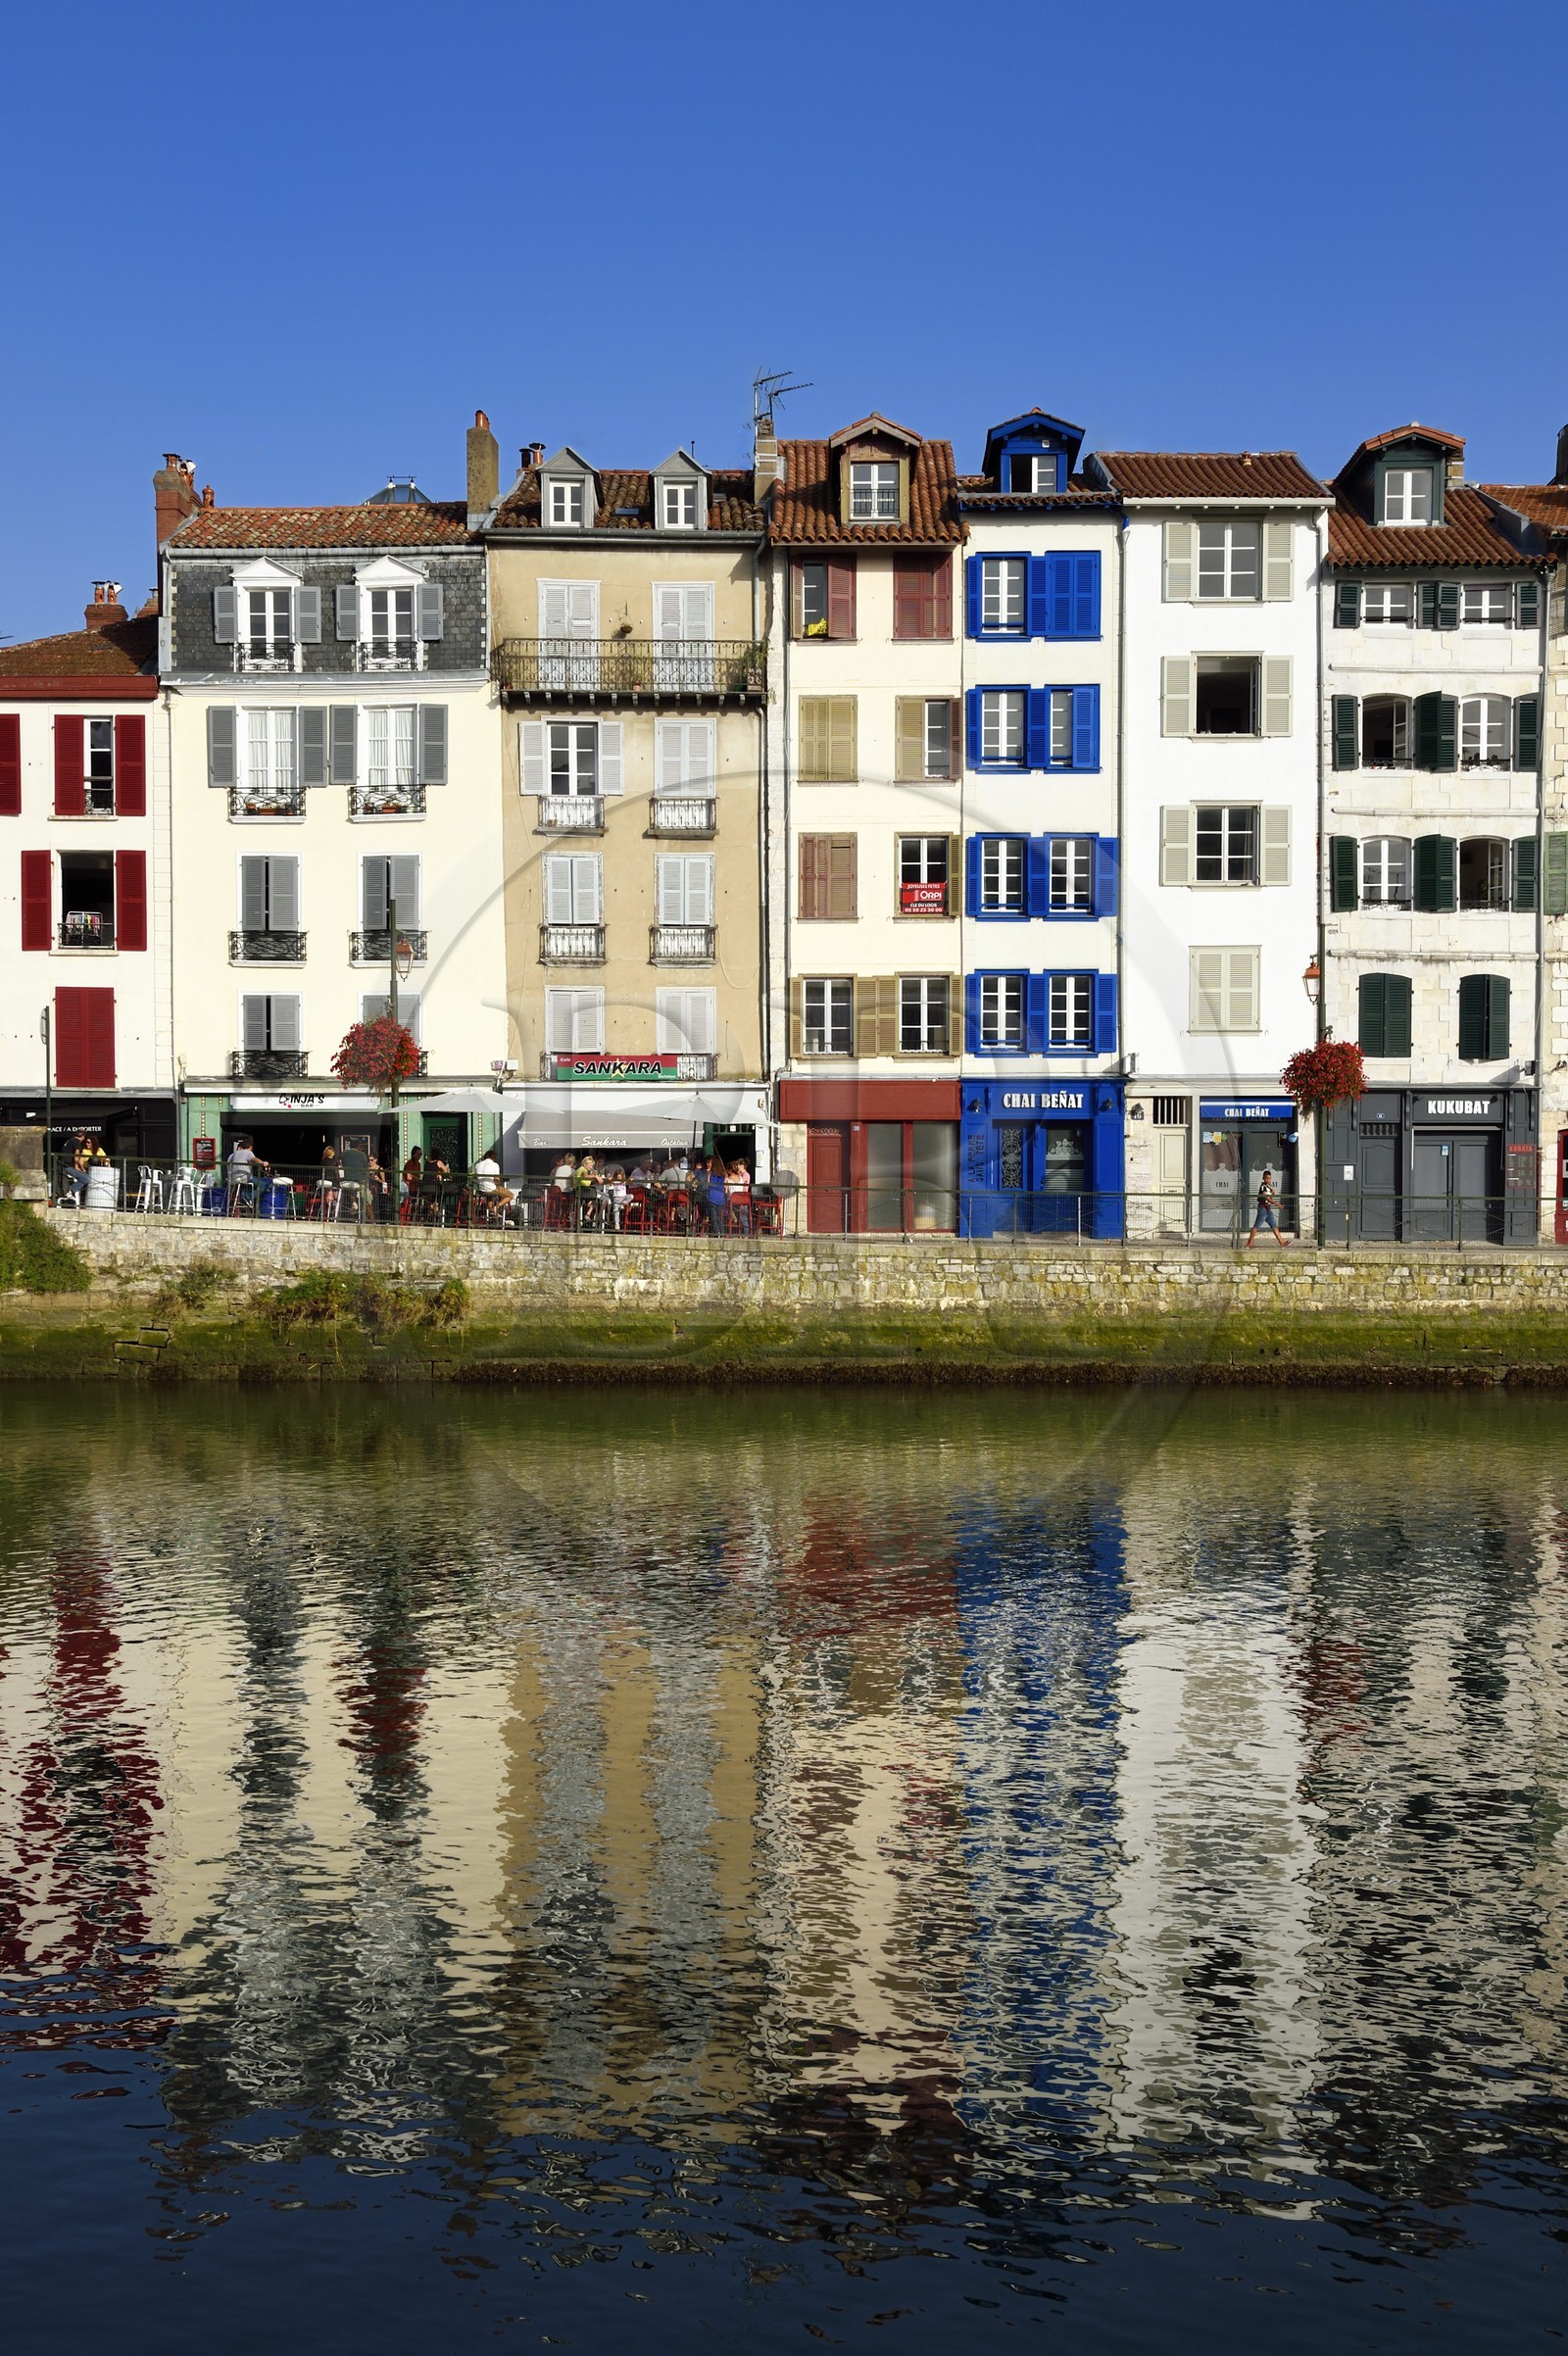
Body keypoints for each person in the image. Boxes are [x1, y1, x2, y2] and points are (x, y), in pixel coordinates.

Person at [1247, 1164, 1290, 1248]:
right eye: (1266, 1178)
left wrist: (1273, 1192)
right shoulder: (1263, 1187)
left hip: (1268, 1209)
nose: (1268, 1180)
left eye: (1269, 1178)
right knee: (1257, 1225)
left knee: (1274, 1225)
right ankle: (1249, 1243)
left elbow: (1270, 1195)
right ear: (1263, 1178)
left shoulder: (1269, 1187)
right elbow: (1266, 1197)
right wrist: (1277, 1204)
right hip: (1263, 1208)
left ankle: (1281, 1242)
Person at [703, 1152, 728, 1239]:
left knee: (713, 1218)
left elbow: (708, 1184)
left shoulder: (710, 1173)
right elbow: (725, 1187)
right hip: (720, 1197)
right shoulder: (724, 1174)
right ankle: (723, 1233)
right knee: (719, 1217)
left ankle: (716, 1233)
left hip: (712, 1196)